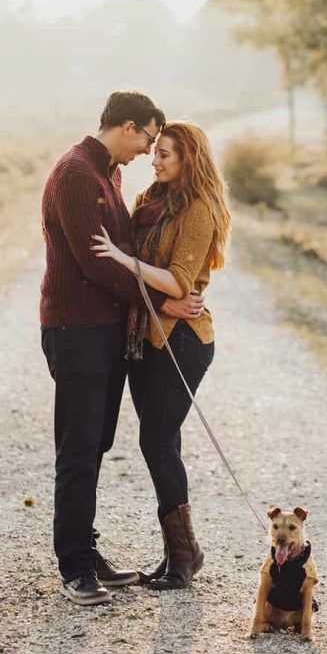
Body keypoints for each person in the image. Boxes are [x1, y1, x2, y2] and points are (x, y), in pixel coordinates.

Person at [39, 92, 205, 606]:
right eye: (148, 140)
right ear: (128, 127)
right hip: (76, 332)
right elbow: (96, 263)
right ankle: (74, 569)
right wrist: (162, 301)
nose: (148, 152)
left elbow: (127, 252)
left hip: (104, 333)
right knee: (79, 447)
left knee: (96, 444)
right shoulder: (75, 174)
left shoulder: (107, 173)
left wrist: (162, 294)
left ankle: (88, 555)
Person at [90, 121, 231, 590]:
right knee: (161, 442)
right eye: (155, 153)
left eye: (166, 154)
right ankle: (181, 554)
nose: (156, 160)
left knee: (156, 439)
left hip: (183, 341)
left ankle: (183, 556)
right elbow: (150, 281)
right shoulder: (149, 201)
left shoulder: (198, 210)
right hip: (144, 338)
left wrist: (120, 258)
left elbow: (177, 282)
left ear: (189, 158)